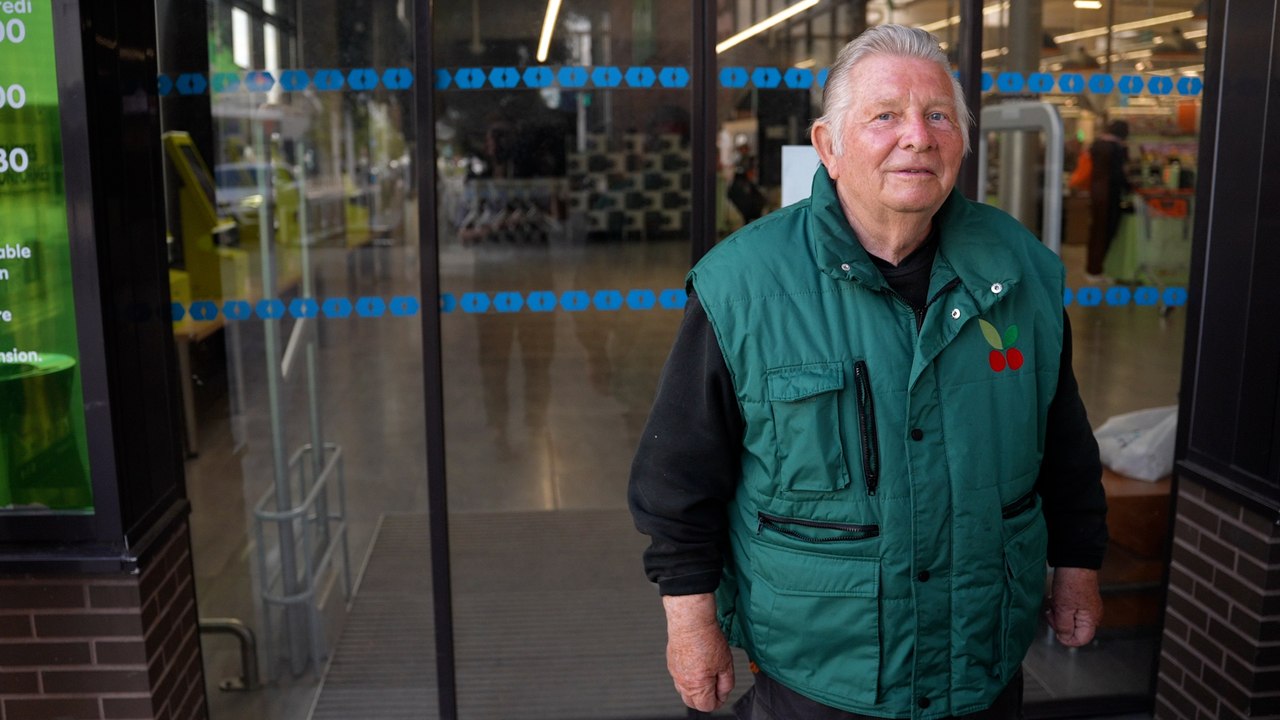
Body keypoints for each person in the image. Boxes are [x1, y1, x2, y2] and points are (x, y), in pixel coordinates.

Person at [629, 24, 1108, 720]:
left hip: (980, 662)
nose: (917, 136)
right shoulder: (743, 286)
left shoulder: (1021, 271)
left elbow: (1064, 446)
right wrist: (690, 623)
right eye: (884, 116)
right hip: (820, 671)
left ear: (963, 142)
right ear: (829, 145)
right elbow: (678, 477)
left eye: (938, 115)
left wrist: (1078, 566)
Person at [1084, 120, 1131, 280]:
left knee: (1096, 232)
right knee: (1106, 233)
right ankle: (1098, 270)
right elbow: (1119, 175)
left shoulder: (1097, 145)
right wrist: (1129, 187)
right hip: (1110, 195)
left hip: (1096, 193)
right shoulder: (1116, 149)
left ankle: (1092, 268)